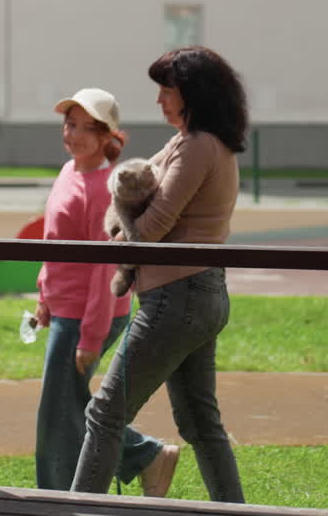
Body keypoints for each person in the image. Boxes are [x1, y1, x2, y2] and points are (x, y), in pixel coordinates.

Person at [71, 46, 248, 503]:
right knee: (200, 424)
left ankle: (74, 511)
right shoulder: (201, 141)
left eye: (166, 90)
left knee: (106, 412)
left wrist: (121, 237)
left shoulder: (195, 146)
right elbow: (135, 184)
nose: (159, 100)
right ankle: (236, 512)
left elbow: (151, 228)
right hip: (199, 294)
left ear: (192, 93)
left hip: (177, 296)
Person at [34, 87, 178, 494]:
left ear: (107, 137)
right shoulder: (69, 171)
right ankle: (145, 456)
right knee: (68, 406)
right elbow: (52, 244)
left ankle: (54, 497)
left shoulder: (103, 187)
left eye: (87, 128)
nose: (74, 134)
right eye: (70, 123)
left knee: (57, 415)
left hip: (87, 316)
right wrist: (44, 296)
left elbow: (104, 269)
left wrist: (91, 337)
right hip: (65, 310)